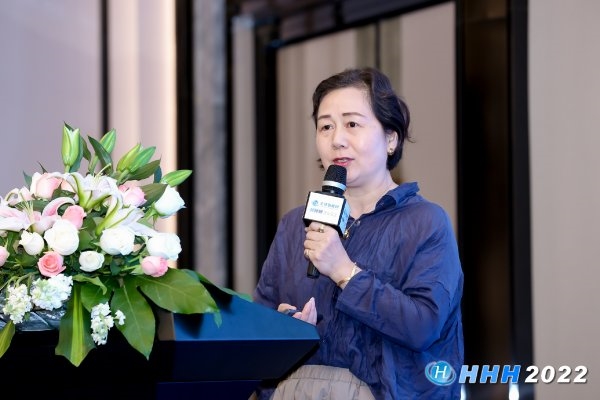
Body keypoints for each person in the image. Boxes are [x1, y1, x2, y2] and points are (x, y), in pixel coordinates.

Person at [252, 67, 464, 399]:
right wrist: (286, 330)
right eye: (325, 126)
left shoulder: (425, 222)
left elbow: (423, 327)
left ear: (390, 138)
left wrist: (345, 272)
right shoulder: (295, 224)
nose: (337, 139)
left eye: (352, 124)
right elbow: (258, 327)